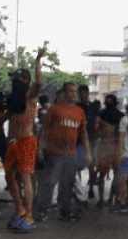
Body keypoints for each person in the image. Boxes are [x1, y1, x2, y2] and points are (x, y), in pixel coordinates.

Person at [4, 47, 46, 230]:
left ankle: (29, 215)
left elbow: (38, 82)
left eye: (16, 78)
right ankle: (20, 209)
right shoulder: (14, 99)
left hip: (26, 141)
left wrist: (37, 61)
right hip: (13, 142)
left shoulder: (30, 95)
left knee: (25, 177)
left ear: (23, 80)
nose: (13, 81)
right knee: (9, 176)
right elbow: (9, 119)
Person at [34, 82, 89, 222]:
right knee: (50, 183)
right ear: (64, 93)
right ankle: (42, 211)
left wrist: (88, 152)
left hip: (71, 154)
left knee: (68, 185)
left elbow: (83, 133)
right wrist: (39, 148)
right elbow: (44, 129)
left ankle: (65, 213)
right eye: (71, 91)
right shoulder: (55, 109)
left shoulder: (79, 112)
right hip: (54, 153)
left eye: (75, 91)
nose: (74, 94)